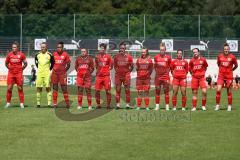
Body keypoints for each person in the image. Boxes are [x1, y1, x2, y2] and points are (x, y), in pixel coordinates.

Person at [215, 43, 238, 111]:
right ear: (223, 50)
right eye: (225, 49)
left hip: (229, 77)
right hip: (221, 76)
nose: (226, 50)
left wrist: (231, 70)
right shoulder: (219, 56)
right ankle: (217, 105)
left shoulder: (232, 57)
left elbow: (236, 65)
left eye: (227, 49)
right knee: (218, 90)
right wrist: (222, 70)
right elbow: (218, 64)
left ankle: (229, 106)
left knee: (229, 91)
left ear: (229, 50)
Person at [5, 41, 27, 108]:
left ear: (17, 48)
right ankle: (8, 103)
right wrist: (10, 69)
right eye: (12, 47)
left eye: (14, 47)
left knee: (20, 88)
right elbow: (6, 63)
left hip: (18, 74)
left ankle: (21, 103)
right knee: (9, 88)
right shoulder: (9, 55)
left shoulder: (21, 55)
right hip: (11, 74)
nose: (13, 48)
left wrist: (21, 69)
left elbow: (25, 63)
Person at [114, 43, 134, 109]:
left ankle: (127, 105)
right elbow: (115, 66)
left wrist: (128, 72)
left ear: (125, 49)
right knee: (118, 90)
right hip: (118, 76)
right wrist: (118, 72)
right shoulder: (116, 57)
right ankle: (118, 105)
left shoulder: (129, 57)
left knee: (127, 90)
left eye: (123, 48)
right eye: (120, 48)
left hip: (126, 76)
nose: (121, 49)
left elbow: (132, 66)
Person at [51, 42, 71, 108]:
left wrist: (64, 71)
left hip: (62, 74)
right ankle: (54, 103)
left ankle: (67, 103)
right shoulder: (54, 54)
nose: (58, 48)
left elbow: (68, 65)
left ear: (62, 48)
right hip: (55, 74)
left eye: (60, 47)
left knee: (64, 89)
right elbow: (51, 63)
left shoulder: (66, 55)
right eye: (57, 47)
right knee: (55, 88)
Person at [35, 42, 54, 108]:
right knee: (38, 88)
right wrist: (40, 69)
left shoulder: (50, 55)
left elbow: (53, 63)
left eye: (44, 47)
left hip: (47, 74)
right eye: (41, 47)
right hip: (39, 73)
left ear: (46, 48)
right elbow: (36, 63)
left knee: (48, 88)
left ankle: (49, 104)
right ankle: (38, 103)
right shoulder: (37, 55)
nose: (42, 48)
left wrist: (49, 70)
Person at [154, 42, 172, 111]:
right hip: (158, 77)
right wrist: (158, 72)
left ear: (165, 50)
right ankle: (157, 106)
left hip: (165, 77)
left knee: (166, 91)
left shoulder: (168, 57)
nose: (162, 51)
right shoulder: (156, 57)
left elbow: (170, 66)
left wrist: (166, 73)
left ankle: (167, 106)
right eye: (160, 50)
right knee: (157, 91)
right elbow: (155, 66)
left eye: (163, 50)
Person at [95, 43, 113, 109]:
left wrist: (106, 70)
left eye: (102, 48)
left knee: (108, 91)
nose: (101, 49)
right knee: (97, 91)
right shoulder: (97, 57)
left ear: (105, 49)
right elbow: (96, 66)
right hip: (99, 77)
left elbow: (111, 66)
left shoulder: (108, 56)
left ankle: (108, 105)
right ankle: (98, 105)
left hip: (106, 77)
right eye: (100, 48)